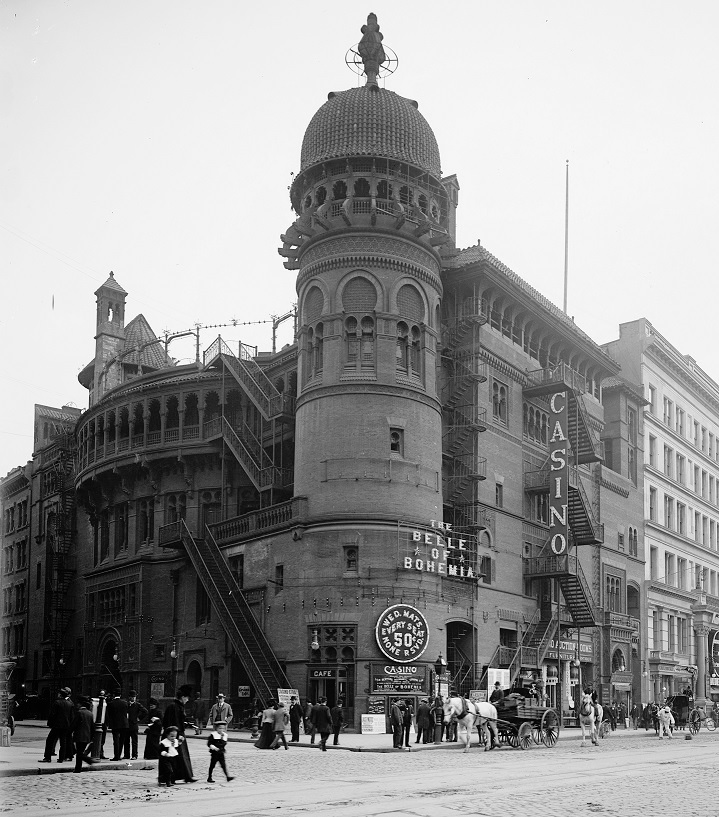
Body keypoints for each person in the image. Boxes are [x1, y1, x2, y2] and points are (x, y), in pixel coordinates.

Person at [162, 685, 197, 783]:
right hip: (175, 735)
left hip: (176, 734)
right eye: (187, 698)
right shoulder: (175, 707)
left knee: (180, 756)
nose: (187, 700)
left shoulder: (177, 706)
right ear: (182, 697)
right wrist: (177, 735)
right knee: (178, 756)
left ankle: (185, 776)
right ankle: (178, 777)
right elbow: (174, 722)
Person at [39, 687, 74, 763]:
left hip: (57, 725)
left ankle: (47, 757)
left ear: (60, 695)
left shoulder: (57, 703)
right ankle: (61, 758)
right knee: (63, 742)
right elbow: (71, 716)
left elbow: (53, 715)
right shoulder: (70, 704)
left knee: (50, 740)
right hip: (66, 726)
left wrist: (50, 724)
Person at [70, 696, 95, 773]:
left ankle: (88, 760)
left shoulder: (79, 713)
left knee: (79, 753)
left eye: (78, 704)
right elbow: (92, 727)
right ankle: (78, 768)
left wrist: (70, 731)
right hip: (87, 736)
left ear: (80, 704)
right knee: (80, 752)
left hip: (79, 735)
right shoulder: (90, 714)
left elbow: (74, 725)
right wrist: (91, 737)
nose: (77, 705)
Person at [106, 688, 130, 760]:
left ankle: (116, 756)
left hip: (115, 724)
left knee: (116, 740)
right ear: (120, 695)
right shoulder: (125, 703)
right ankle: (119, 755)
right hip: (124, 724)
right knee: (122, 740)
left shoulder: (111, 704)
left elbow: (108, 714)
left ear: (114, 695)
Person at [127, 690, 147, 760]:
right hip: (127, 725)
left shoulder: (137, 705)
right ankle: (126, 755)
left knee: (134, 741)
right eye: (132, 697)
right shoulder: (126, 704)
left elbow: (145, 711)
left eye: (134, 697)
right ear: (129, 697)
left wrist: (139, 718)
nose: (133, 698)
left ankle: (134, 755)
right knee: (126, 741)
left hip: (134, 725)